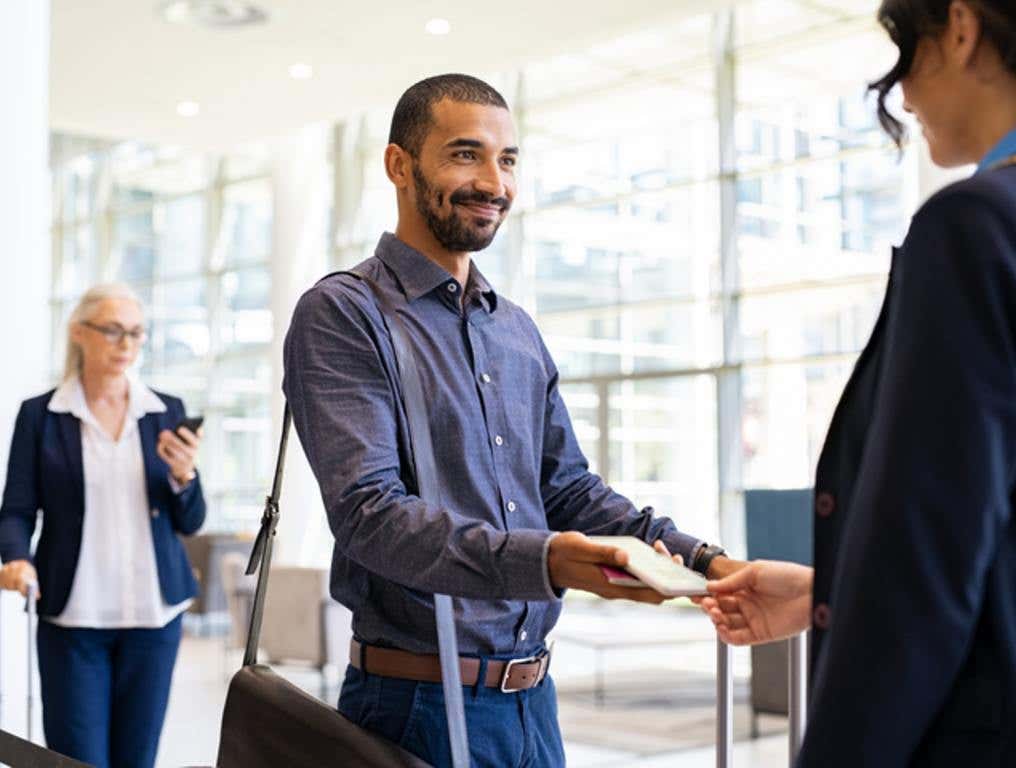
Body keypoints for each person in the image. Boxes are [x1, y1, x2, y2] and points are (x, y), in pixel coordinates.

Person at [283, 73, 743, 767]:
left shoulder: (516, 330)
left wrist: (708, 561)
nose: (493, 182)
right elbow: (370, 516)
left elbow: (569, 491)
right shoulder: (346, 314)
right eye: (465, 155)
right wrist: (548, 561)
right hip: (415, 709)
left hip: (533, 701)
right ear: (398, 166)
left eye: (508, 160)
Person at [698, 2, 1016, 765]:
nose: (903, 95)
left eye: (907, 51)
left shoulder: (975, 228)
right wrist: (826, 591)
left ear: (962, 28)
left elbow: (927, 555)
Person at [0, 283, 207, 768]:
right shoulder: (42, 415)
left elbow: (191, 521)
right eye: (113, 331)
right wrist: (17, 559)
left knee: (138, 759)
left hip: (153, 621)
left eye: (136, 333)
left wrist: (184, 476)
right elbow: (16, 509)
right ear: (79, 332)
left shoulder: (164, 412)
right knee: (76, 759)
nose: (125, 345)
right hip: (74, 619)